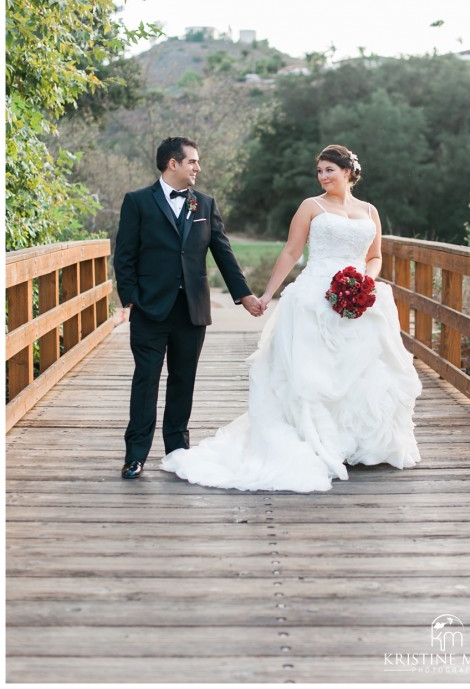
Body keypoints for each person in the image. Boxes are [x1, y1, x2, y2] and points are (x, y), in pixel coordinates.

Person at [161, 144, 422, 492]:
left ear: (348, 171)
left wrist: (364, 280)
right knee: (313, 372)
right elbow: (291, 251)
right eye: (319, 171)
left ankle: (357, 443)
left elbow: (374, 256)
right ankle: (317, 440)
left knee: (364, 370)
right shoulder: (310, 207)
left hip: (359, 296)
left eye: (329, 169)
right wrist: (267, 294)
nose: (323, 176)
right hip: (315, 296)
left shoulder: (369, 210)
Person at [114, 136, 263, 479]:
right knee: (146, 381)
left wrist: (244, 296)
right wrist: (133, 299)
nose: (198, 167)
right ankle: (135, 455)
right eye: (193, 161)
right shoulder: (137, 202)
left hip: (192, 311)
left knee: (183, 381)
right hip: (150, 310)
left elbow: (223, 254)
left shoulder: (205, 205)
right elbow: (124, 257)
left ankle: (177, 453)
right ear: (173, 164)